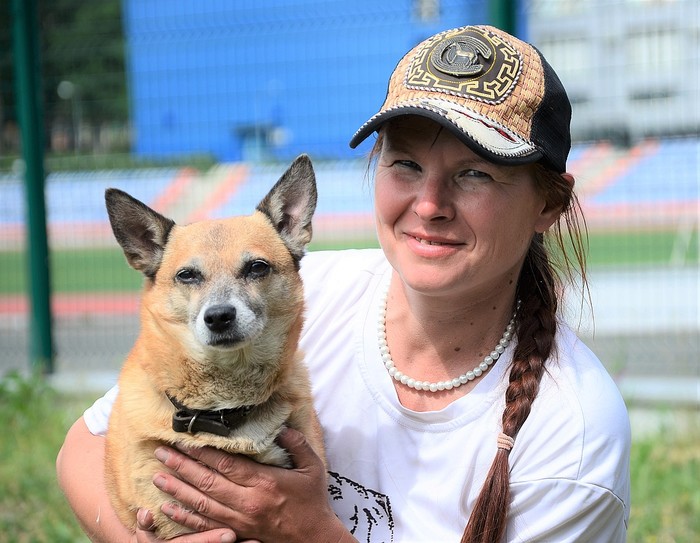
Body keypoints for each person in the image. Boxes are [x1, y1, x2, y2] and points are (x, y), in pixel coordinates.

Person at [56, 24, 631, 542]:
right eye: (405, 165)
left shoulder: (571, 438)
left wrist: (312, 532)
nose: (429, 204)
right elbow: (84, 448)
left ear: (548, 204)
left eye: (475, 173)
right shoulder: (303, 296)